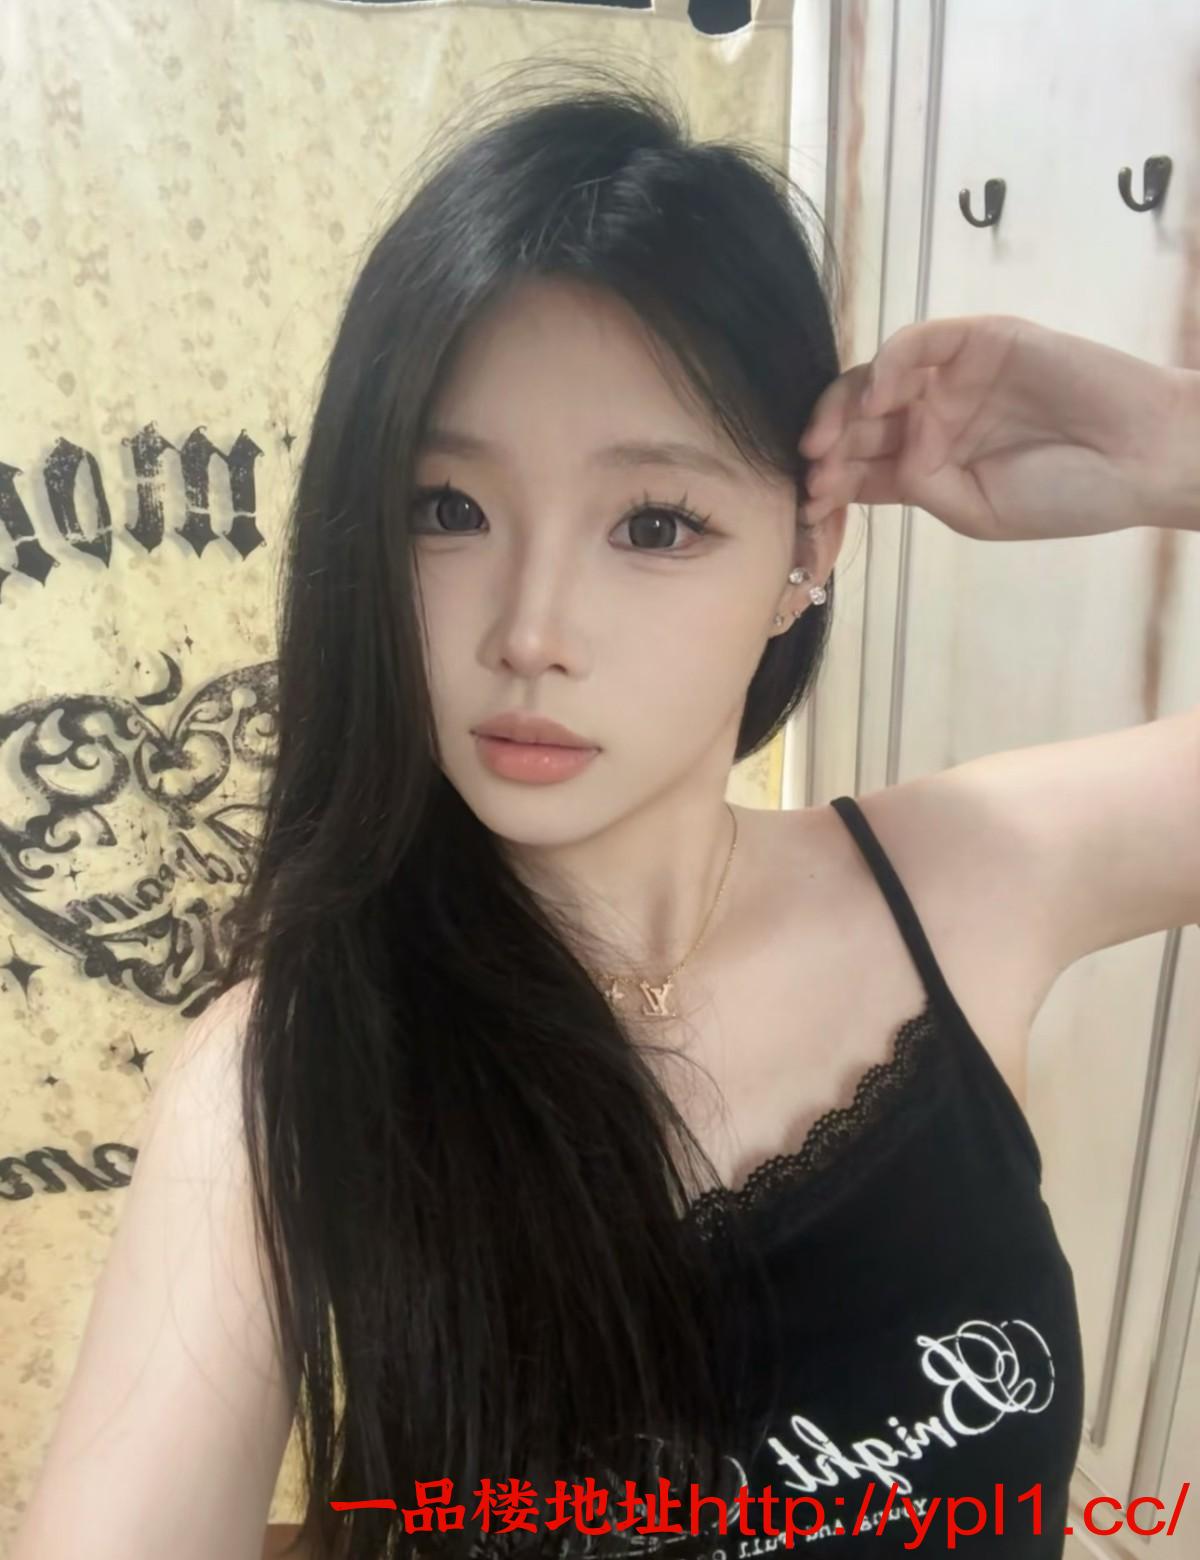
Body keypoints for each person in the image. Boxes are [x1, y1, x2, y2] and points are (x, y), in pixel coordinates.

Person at [10, 61, 1200, 1560]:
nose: (531, 631)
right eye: (449, 510)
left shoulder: (970, 882)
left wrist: (1172, 444)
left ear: (807, 549)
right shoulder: (282, 1078)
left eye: (654, 523)